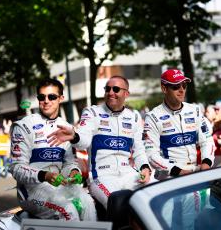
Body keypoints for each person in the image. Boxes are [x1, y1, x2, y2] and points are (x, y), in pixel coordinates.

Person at [47, 76, 151, 209]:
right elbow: (83, 142)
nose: (111, 92)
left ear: (126, 93)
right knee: (119, 206)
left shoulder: (134, 116)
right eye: (108, 89)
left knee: (155, 195)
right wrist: (74, 136)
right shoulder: (92, 112)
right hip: (101, 176)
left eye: (116, 89)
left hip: (128, 173)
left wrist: (145, 168)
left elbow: (139, 150)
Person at [9, 78, 96, 221]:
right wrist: (45, 176)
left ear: (61, 98)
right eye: (41, 97)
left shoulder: (66, 127)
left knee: (88, 204)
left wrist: (74, 171)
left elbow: (69, 163)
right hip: (32, 191)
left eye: (52, 97)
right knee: (68, 211)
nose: (46, 101)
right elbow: (16, 168)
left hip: (59, 187)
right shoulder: (24, 126)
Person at [143, 69, 215, 178]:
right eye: (176, 86)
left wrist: (206, 163)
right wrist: (177, 171)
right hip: (171, 176)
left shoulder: (195, 110)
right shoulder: (153, 116)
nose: (181, 90)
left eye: (184, 85)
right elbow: (151, 154)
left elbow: (207, 140)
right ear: (164, 88)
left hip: (197, 171)